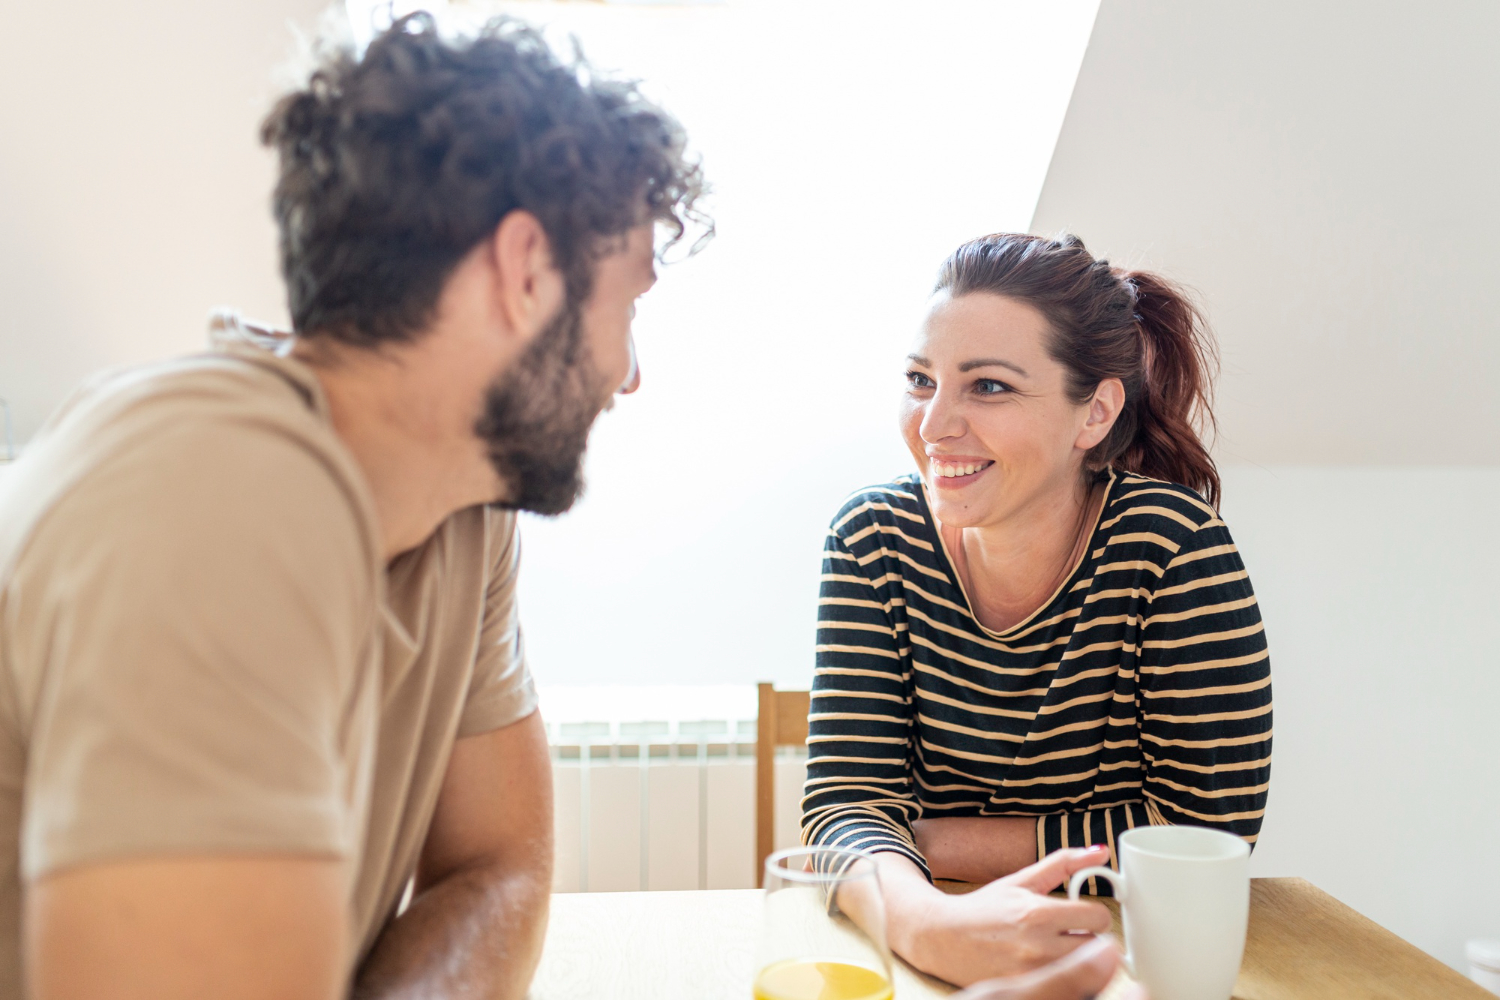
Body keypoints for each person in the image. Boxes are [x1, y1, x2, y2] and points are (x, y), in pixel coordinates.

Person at [0, 15, 700, 999]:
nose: (629, 374)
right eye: (625, 309)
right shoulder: (216, 498)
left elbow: (499, 864)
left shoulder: (461, 499)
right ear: (526, 270)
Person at [803, 232, 1272, 987]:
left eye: (987, 386)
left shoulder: (1175, 550)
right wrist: (932, 926)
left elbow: (1205, 835)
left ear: (1094, 414)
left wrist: (931, 840)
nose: (932, 426)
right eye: (921, 379)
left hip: (1125, 950)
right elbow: (846, 806)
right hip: (923, 934)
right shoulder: (872, 538)